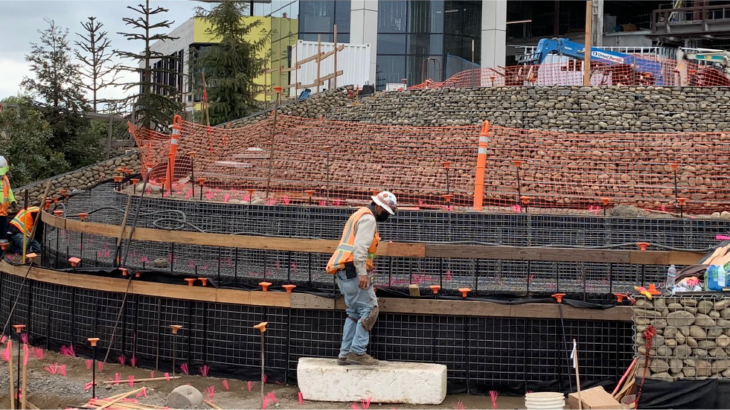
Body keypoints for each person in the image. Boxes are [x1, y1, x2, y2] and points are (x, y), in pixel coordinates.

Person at [326, 191, 398, 366]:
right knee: (370, 309)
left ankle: (344, 354)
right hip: (353, 270)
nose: (387, 215)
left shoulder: (358, 214)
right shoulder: (369, 219)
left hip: (343, 271)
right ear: (379, 206)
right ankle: (357, 352)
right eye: (387, 212)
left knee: (353, 312)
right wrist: (362, 273)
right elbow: (360, 248)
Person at [0, 156, 16, 243]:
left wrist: (12, 201)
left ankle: (1, 255)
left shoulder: (5, 179)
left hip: (3, 214)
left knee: (2, 238)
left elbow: (8, 191)